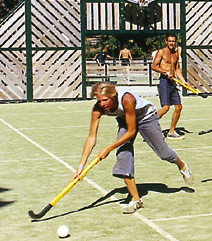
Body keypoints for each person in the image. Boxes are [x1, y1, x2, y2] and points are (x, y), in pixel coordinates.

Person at [74, 81, 192, 214]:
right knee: (123, 156)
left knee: (164, 153)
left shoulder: (127, 99)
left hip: (146, 118)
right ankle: (136, 200)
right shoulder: (97, 109)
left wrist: (108, 148)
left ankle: (182, 165)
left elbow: (131, 132)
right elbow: (91, 138)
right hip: (125, 120)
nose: (102, 104)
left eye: (105, 100)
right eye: (99, 100)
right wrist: (80, 167)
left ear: (113, 96)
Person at [151, 34, 185, 140]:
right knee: (165, 108)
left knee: (178, 107)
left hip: (172, 82)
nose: (171, 43)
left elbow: (177, 69)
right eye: (170, 41)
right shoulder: (161, 52)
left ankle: (171, 132)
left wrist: (183, 81)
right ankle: (148, 123)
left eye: (173, 41)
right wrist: (164, 72)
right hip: (164, 82)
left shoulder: (175, 54)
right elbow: (153, 66)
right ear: (166, 42)